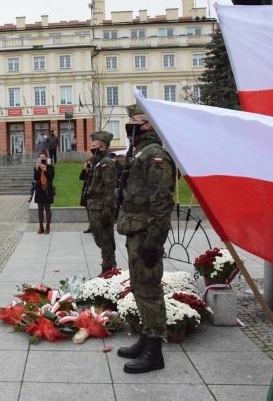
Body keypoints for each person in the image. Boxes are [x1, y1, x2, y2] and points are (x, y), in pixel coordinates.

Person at [116, 104, 175, 374]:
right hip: (135, 230)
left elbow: (162, 202)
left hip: (146, 233)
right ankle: (146, 337)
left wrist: (154, 240)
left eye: (135, 120)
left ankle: (154, 352)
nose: (130, 124)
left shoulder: (155, 155)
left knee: (149, 289)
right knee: (140, 287)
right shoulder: (139, 151)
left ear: (148, 124)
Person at [85, 131, 118, 273]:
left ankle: (108, 268)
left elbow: (109, 189)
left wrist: (107, 211)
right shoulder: (97, 162)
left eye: (95, 146)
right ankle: (109, 263)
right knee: (98, 238)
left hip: (101, 207)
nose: (92, 148)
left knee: (105, 240)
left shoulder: (106, 164)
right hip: (94, 206)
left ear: (103, 147)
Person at [33, 152, 55, 234]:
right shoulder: (37, 167)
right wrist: (36, 168)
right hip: (39, 189)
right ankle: (41, 226)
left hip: (47, 189)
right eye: (40, 157)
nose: (42, 159)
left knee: (47, 208)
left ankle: (48, 226)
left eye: (43, 157)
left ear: (46, 158)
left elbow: (51, 177)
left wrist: (45, 170)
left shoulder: (50, 167)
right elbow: (35, 177)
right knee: (40, 209)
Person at [79, 155, 94, 233]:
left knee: (93, 211)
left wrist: (92, 168)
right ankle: (91, 226)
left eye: (90, 163)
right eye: (88, 162)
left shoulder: (95, 169)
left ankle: (94, 227)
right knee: (88, 209)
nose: (89, 164)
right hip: (86, 191)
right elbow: (81, 178)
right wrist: (84, 169)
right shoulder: (87, 170)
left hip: (92, 191)